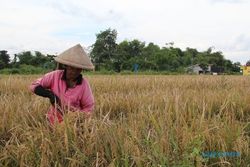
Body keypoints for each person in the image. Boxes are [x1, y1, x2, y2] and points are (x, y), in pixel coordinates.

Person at [30, 44, 95, 125]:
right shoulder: (55, 76)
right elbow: (34, 86)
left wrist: (77, 118)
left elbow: (89, 108)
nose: (74, 72)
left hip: (73, 123)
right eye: (71, 68)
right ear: (66, 66)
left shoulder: (84, 85)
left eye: (78, 69)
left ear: (81, 69)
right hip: (53, 120)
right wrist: (50, 95)